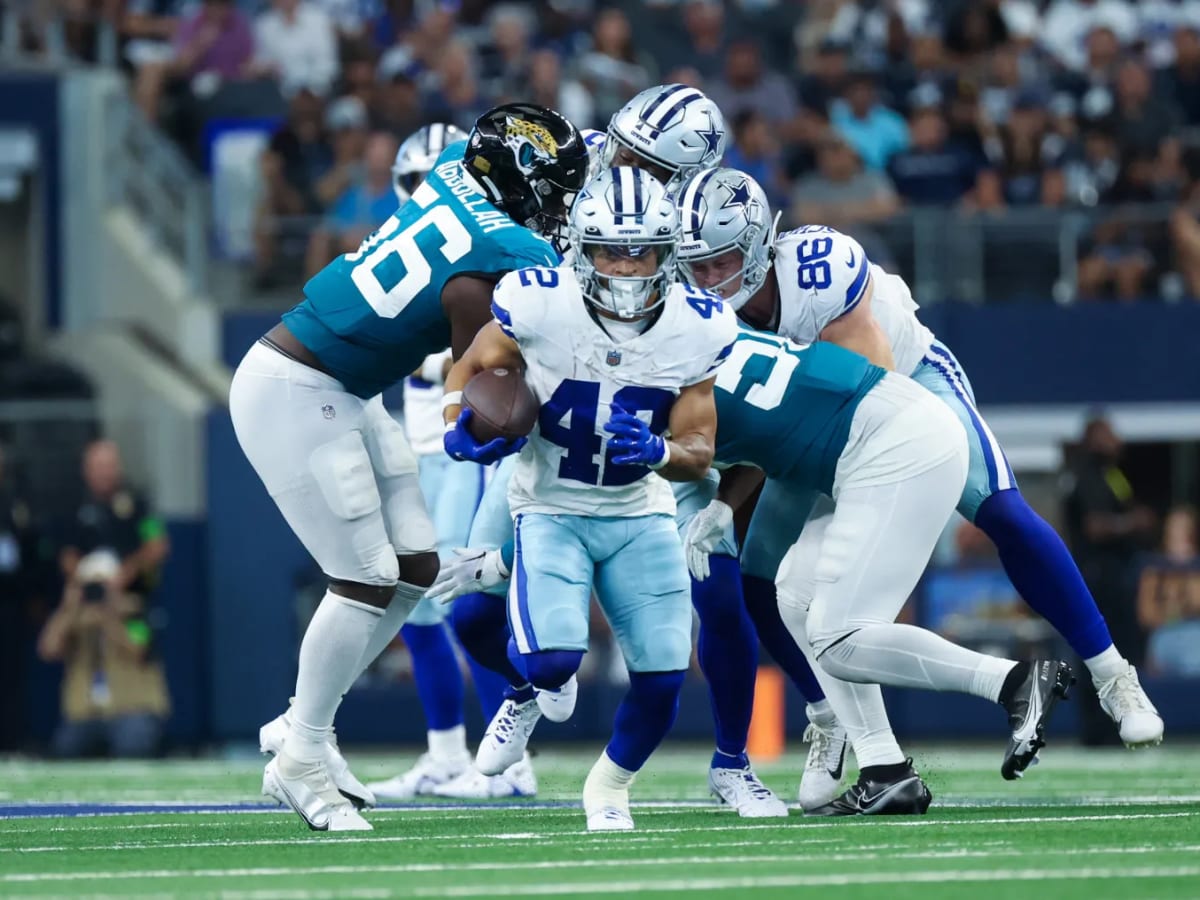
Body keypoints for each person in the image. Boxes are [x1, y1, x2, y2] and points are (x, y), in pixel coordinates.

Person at [676, 170, 1163, 775]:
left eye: (717, 261)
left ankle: (1113, 674)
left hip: (903, 394)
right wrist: (727, 504)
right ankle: (831, 719)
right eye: (693, 265)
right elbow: (774, 421)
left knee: (1001, 511)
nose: (704, 279)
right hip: (822, 428)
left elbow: (866, 396)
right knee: (758, 581)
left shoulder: (815, 270)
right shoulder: (703, 316)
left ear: (754, 244)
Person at [443, 86, 825, 818]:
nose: (620, 164)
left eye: (647, 163)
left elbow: (744, 391)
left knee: (718, 593)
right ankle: (527, 686)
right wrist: (473, 408)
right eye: (623, 147)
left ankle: (732, 763)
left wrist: (715, 487)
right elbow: (495, 299)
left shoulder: (707, 240)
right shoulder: (582, 184)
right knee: (471, 611)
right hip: (552, 436)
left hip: (648, 440)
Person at [230, 103, 588, 831]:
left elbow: (463, 293)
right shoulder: (514, 247)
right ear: (518, 179)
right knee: (363, 575)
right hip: (298, 390)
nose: (557, 208)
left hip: (342, 387)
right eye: (552, 190)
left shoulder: (454, 173)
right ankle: (300, 754)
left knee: (415, 569)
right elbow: (485, 312)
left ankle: (302, 725)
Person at [440, 166, 737, 831]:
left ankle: (608, 788)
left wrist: (661, 453)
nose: (627, 267)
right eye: (610, 249)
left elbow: (699, 446)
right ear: (579, 247)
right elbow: (470, 366)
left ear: (668, 254)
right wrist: (457, 423)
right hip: (550, 506)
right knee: (553, 663)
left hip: (638, 514)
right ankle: (525, 689)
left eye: (641, 251)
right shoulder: (538, 301)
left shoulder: (699, 326)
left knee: (663, 676)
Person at [685, 323, 1075, 796]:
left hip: (892, 447)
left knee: (836, 637)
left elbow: (684, 451)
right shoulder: (708, 335)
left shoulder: (667, 371)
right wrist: (724, 505)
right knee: (795, 596)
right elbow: (760, 430)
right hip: (875, 441)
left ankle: (1014, 681)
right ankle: (884, 769)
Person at [363, 123, 535, 802]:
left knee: (467, 596)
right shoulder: (401, 250)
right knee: (421, 609)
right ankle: (444, 753)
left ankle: (508, 759)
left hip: (471, 451)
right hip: (423, 449)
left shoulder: (490, 255)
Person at [40, 440, 172, 759]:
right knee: (67, 747)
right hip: (83, 612)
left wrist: (123, 576)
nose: (105, 473)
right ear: (86, 471)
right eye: (98, 466)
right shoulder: (74, 509)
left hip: (129, 606)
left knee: (134, 740)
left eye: (110, 465)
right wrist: (82, 586)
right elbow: (48, 648)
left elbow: (158, 544)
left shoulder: (138, 504)